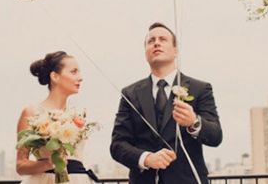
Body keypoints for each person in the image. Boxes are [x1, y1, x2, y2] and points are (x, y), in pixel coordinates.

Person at [110, 23, 223, 183]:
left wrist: (194, 122)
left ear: (175, 51)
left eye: (162, 39)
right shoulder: (130, 93)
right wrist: (146, 158)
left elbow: (216, 136)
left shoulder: (200, 88)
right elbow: (117, 145)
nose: (156, 43)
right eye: (151, 41)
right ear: (146, 53)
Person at [16, 51, 94, 184]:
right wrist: (50, 164)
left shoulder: (78, 115)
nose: (80, 78)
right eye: (73, 72)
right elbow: (20, 165)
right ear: (55, 77)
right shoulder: (31, 112)